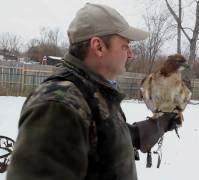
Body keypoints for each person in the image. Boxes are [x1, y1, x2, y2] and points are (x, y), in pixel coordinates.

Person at [7, 3, 178, 180]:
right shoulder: (58, 106)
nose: (131, 55)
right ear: (98, 47)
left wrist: (152, 127)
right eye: (125, 46)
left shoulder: (93, 92)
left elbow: (99, 136)